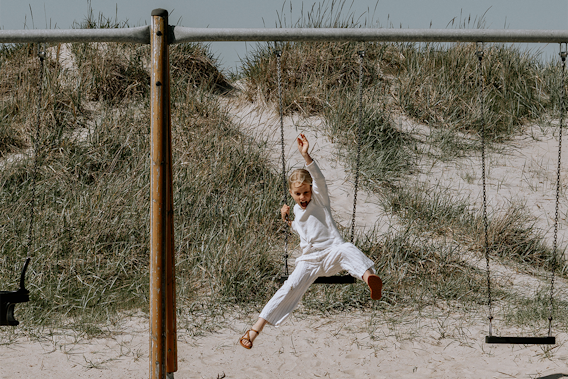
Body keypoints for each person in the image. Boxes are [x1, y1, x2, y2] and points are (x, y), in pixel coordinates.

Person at [239, 134, 382, 349]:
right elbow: (298, 228)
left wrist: (306, 156)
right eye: (298, 194)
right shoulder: (297, 211)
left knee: (347, 248)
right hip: (310, 261)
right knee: (290, 287)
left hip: (332, 253)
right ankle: (254, 330)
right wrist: (285, 219)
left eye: (306, 192)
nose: (303, 197)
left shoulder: (320, 200)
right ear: (291, 193)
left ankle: (370, 279)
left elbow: (320, 180)